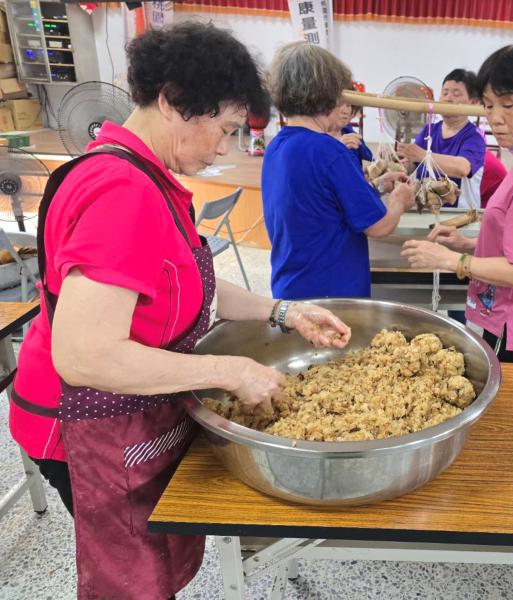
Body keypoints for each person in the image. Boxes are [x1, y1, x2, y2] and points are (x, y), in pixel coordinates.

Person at [8, 23, 352, 600]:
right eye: (223, 129)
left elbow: (192, 285)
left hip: (125, 409)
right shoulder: (122, 191)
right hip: (81, 424)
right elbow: (85, 354)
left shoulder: (145, 175)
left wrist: (283, 311)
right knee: (130, 579)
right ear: (172, 102)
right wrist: (228, 370)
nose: (225, 149)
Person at [401, 44, 513, 363]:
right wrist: (468, 244)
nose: (495, 119)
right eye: (488, 105)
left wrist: (450, 261)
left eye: (508, 105)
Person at [263, 42, 414, 300]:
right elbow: (378, 227)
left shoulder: (276, 146)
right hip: (332, 293)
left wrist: (377, 187)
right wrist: (400, 201)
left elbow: (322, 205)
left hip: (291, 286)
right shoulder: (330, 151)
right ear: (326, 94)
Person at [397, 69, 487, 209]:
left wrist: (422, 155)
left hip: (457, 216)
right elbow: (414, 164)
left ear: (473, 102)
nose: (448, 98)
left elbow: (462, 168)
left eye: (456, 94)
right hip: (425, 210)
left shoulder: (474, 137)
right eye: (444, 93)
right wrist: (401, 165)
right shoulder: (430, 130)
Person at [327, 83, 373, 164]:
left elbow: (369, 163)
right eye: (340, 104)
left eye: (348, 105)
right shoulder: (314, 137)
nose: (345, 111)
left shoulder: (352, 136)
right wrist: (337, 149)